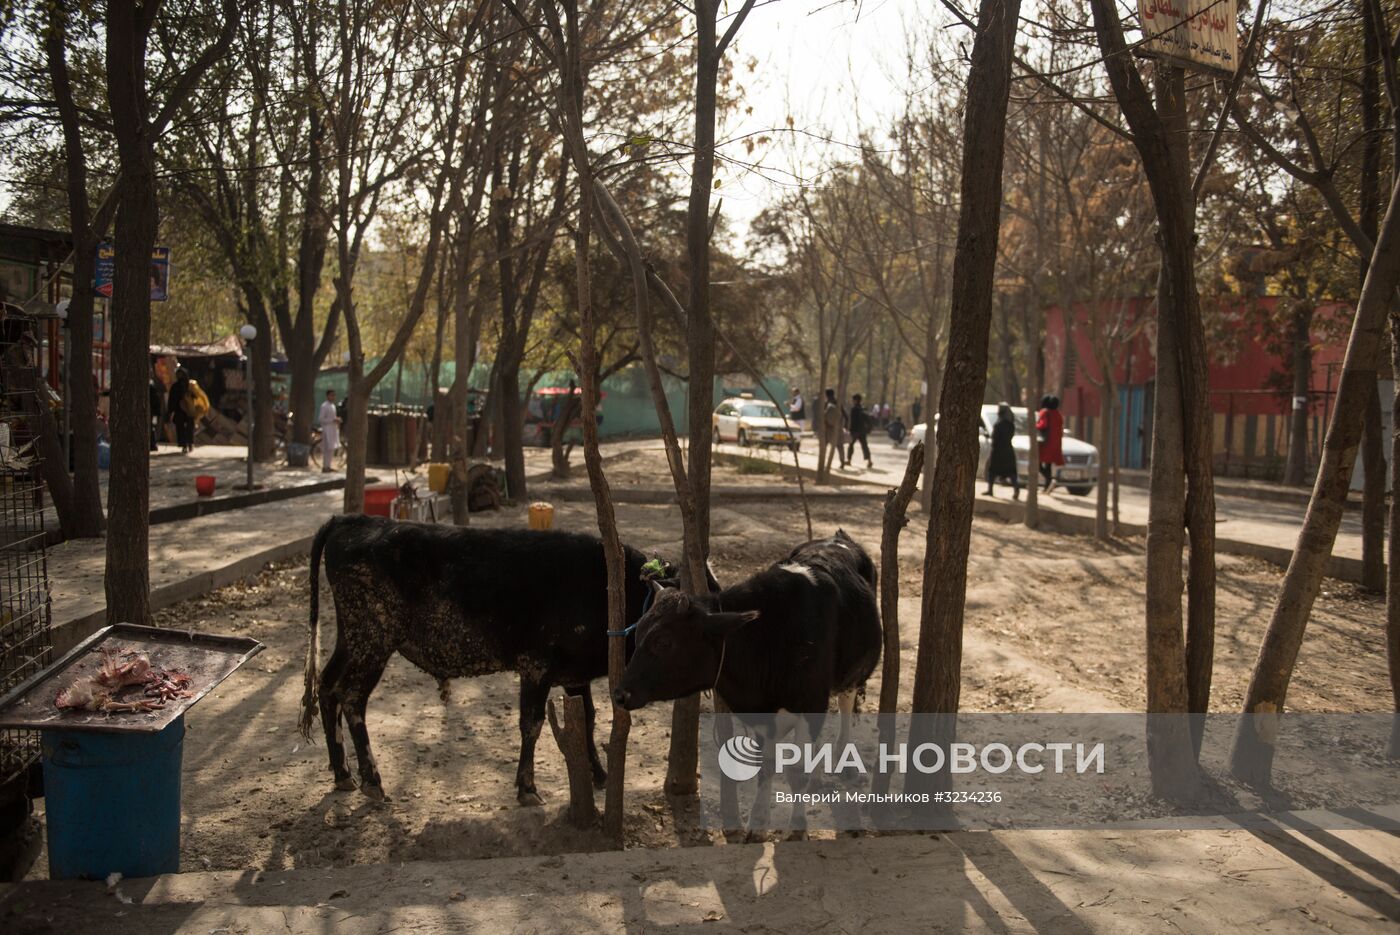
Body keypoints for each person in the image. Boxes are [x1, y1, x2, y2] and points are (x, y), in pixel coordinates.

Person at [986, 402, 1020, 499]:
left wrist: (993, 444)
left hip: (998, 451)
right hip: (1008, 450)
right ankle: (1016, 489)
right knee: (1012, 472)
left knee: (992, 470)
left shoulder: (999, 424)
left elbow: (994, 437)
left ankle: (990, 490)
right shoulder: (1011, 425)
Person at [1036, 394, 1064, 492]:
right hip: (1056, 443)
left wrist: (1035, 425)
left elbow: (1042, 425)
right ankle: (1046, 487)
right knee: (1048, 465)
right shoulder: (1058, 414)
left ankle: (1050, 480)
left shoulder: (1044, 412)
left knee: (1038, 465)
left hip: (1046, 443)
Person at [167, 367, 194, 453]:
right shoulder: (190, 385)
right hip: (188, 410)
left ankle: (185, 444)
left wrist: (170, 410)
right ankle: (188, 443)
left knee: (182, 428)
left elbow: (172, 399)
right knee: (188, 428)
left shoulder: (177, 386)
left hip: (181, 411)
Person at [821, 388, 847, 468]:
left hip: (827, 429)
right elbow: (846, 416)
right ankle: (842, 462)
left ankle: (823, 463)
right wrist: (845, 426)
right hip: (837, 428)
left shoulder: (826, 404)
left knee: (824, 446)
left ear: (826, 395)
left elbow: (822, 416)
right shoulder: (838, 403)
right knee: (839, 446)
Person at [846, 393, 873, 469]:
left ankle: (849, 460)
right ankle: (869, 461)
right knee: (864, 446)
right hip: (863, 431)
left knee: (851, 445)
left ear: (855, 400)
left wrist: (850, 429)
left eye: (853, 400)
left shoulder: (854, 409)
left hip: (855, 431)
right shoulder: (863, 409)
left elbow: (853, 421)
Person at [319, 389, 341, 472]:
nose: (333, 397)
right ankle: (325, 467)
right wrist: (332, 420)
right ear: (327, 396)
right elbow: (321, 419)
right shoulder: (324, 406)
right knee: (326, 449)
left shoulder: (332, 406)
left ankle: (328, 466)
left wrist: (336, 420)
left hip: (333, 429)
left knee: (331, 449)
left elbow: (332, 418)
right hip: (327, 430)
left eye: (334, 395)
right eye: (331, 395)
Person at [148, 371, 164, 451]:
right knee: (152, 428)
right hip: (153, 412)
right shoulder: (153, 390)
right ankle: (152, 444)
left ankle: (152, 444)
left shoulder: (151, 390)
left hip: (151, 412)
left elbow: (155, 403)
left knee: (151, 428)